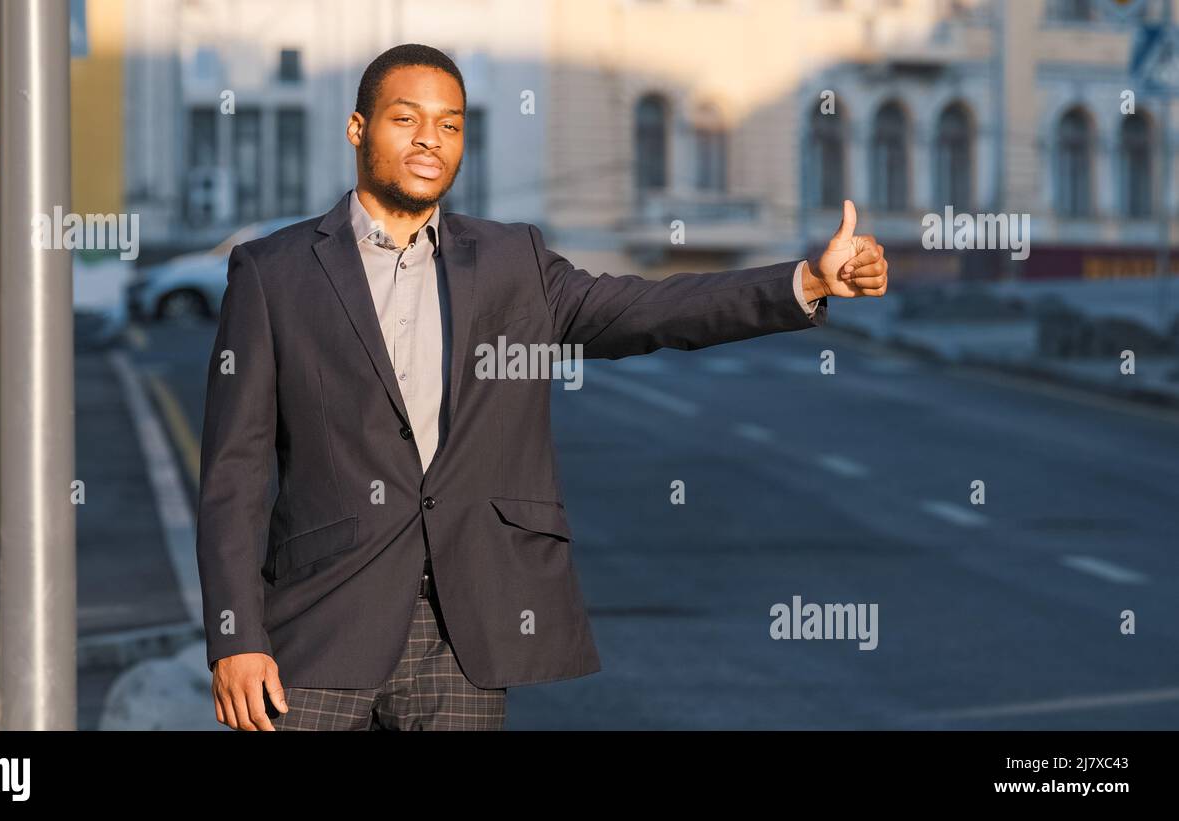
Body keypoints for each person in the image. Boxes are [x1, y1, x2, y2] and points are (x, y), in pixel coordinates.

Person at [196, 43, 889, 731]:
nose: (430, 140)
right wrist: (235, 637)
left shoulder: (510, 261)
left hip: (463, 644)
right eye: (406, 120)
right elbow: (234, 471)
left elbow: (645, 310)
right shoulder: (273, 272)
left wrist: (803, 282)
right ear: (357, 128)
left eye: (451, 123)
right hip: (319, 632)